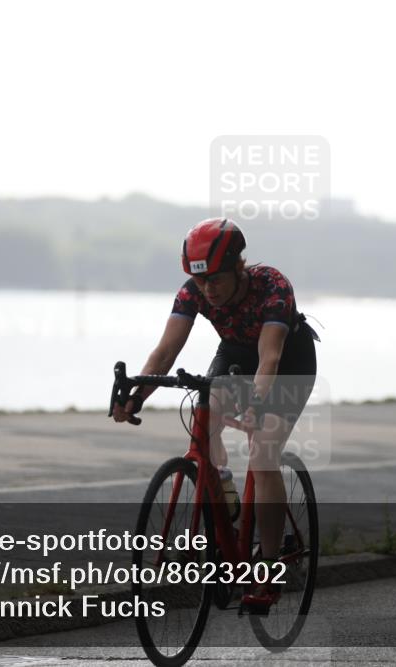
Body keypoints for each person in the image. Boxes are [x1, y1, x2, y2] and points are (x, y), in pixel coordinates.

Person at [110, 217, 318, 610]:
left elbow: (269, 355)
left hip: (287, 361)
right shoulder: (194, 292)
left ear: (240, 266)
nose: (208, 290)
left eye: (217, 280)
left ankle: (268, 570)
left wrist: (259, 401)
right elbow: (165, 353)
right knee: (205, 415)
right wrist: (137, 397)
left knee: (263, 454)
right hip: (237, 353)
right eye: (200, 281)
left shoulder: (272, 285)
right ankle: (223, 490)